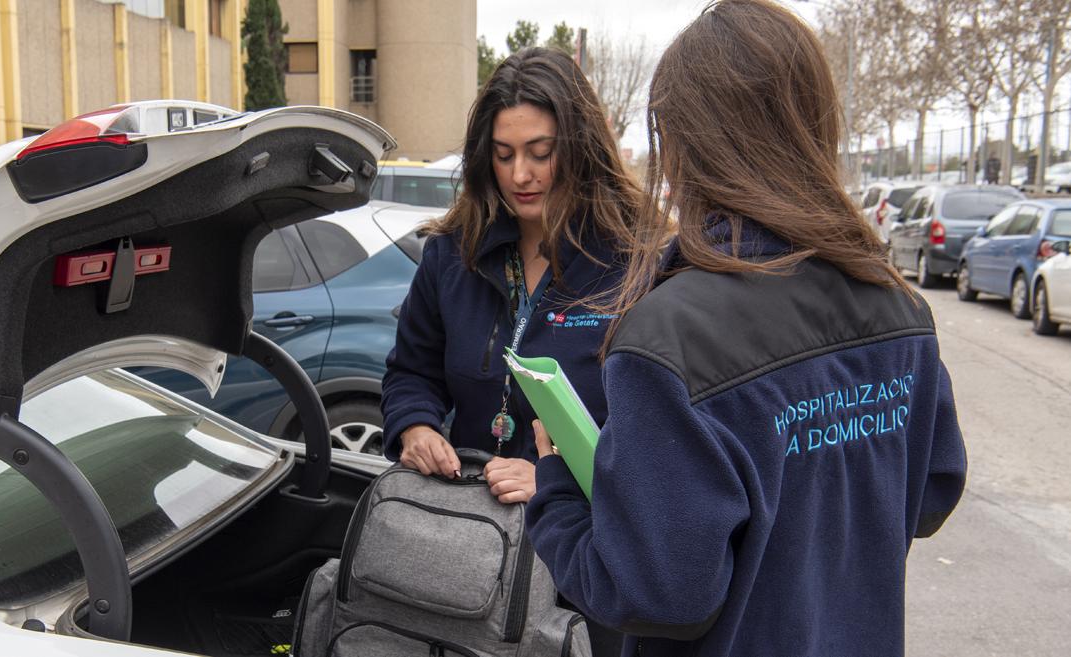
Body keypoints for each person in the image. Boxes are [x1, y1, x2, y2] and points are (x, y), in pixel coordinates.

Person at [524, 2, 967, 656]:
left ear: (682, 142)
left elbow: (659, 592)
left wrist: (558, 487)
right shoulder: (899, 305)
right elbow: (930, 491)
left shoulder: (669, 339)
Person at [380, 47, 640, 502]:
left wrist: (558, 482)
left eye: (541, 153)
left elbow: (655, 433)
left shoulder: (633, 265)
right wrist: (414, 427)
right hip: (469, 526)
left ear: (581, 150)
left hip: (573, 542)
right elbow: (411, 372)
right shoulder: (451, 255)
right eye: (504, 156)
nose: (521, 174)